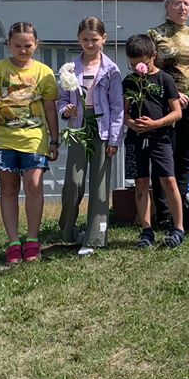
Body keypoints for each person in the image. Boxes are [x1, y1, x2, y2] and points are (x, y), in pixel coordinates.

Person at [0, 21, 58, 264]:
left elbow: (50, 108)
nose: (23, 50)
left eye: (28, 45)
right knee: (8, 189)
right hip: (4, 139)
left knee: (34, 188)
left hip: (35, 139)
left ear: (36, 45)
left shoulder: (44, 73)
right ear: (9, 44)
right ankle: (13, 241)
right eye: (17, 45)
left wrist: (55, 140)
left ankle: (32, 240)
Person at [57, 16, 124, 253]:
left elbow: (117, 108)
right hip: (77, 127)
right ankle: (68, 230)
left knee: (99, 185)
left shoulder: (111, 70)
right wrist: (67, 110)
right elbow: (62, 100)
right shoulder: (69, 69)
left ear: (104, 39)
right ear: (78, 39)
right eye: (85, 39)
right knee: (73, 182)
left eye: (94, 39)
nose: (90, 43)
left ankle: (95, 237)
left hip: (102, 127)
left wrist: (114, 139)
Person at [151, 0, 189, 229]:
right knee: (165, 160)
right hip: (166, 105)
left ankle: (180, 213)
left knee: (184, 160)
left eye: (186, 3)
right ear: (167, 6)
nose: (182, 7)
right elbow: (149, 71)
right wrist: (173, 93)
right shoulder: (155, 34)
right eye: (177, 2)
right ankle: (163, 213)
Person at [122, 33, 184, 249]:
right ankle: (146, 230)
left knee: (168, 180)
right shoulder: (129, 81)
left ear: (154, 56)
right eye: (133, 64)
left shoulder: (165, 79)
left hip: (160, 138)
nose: (139, 68)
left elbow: (177, 113)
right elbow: (125, 112)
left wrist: (156, 124)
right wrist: (131, 123)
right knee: (140, 182)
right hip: (136, 138)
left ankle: (178, 228)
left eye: (143, 63)